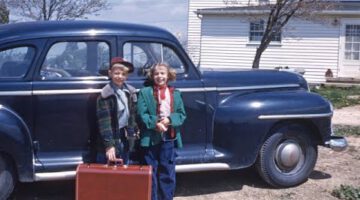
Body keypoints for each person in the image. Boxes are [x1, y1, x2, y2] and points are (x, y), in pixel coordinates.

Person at [137, 63, 186, 200]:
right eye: (156, 73)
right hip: (151, 138)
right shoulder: (144, 92)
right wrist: (155, 123)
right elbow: (142, 114)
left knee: (167, 171)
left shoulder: (175, 93)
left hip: (169, 137)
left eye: (162, 73)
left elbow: (181, 114)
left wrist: (169, 120)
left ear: (168, 75)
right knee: (150, 171)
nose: (160, 76)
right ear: (152, 76)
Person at [96, 57, 138, 165]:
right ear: (110, 73)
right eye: (117, 73)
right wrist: (109, 145)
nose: (120, 77)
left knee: (124, 165)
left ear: (126, 76)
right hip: (112, 135)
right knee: (109, 168)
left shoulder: (130, 92)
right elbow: (104, 123)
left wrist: (133, 131)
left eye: (123, 74)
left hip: (125, 137)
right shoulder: (106, 95)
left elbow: (132, 115)